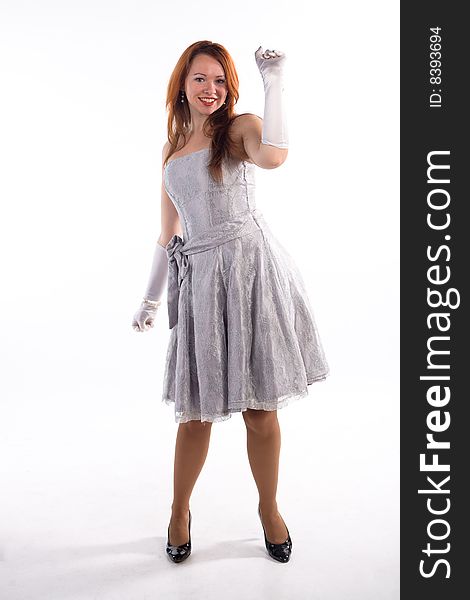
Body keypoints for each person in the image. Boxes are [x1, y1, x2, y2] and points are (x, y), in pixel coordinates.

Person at [131, 41, 330, 563]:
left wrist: (275, 82)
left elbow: (276, 155)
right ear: (182, 85)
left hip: (250, 274)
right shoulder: (173, 153)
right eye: (200, 79)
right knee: (194, 416)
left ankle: (269, 509)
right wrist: (150, 300)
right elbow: (166, 232)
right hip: (200, 285)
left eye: (220, 81)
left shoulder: (238, 129)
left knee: (261, 412)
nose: (211, 90)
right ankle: (179, 510)